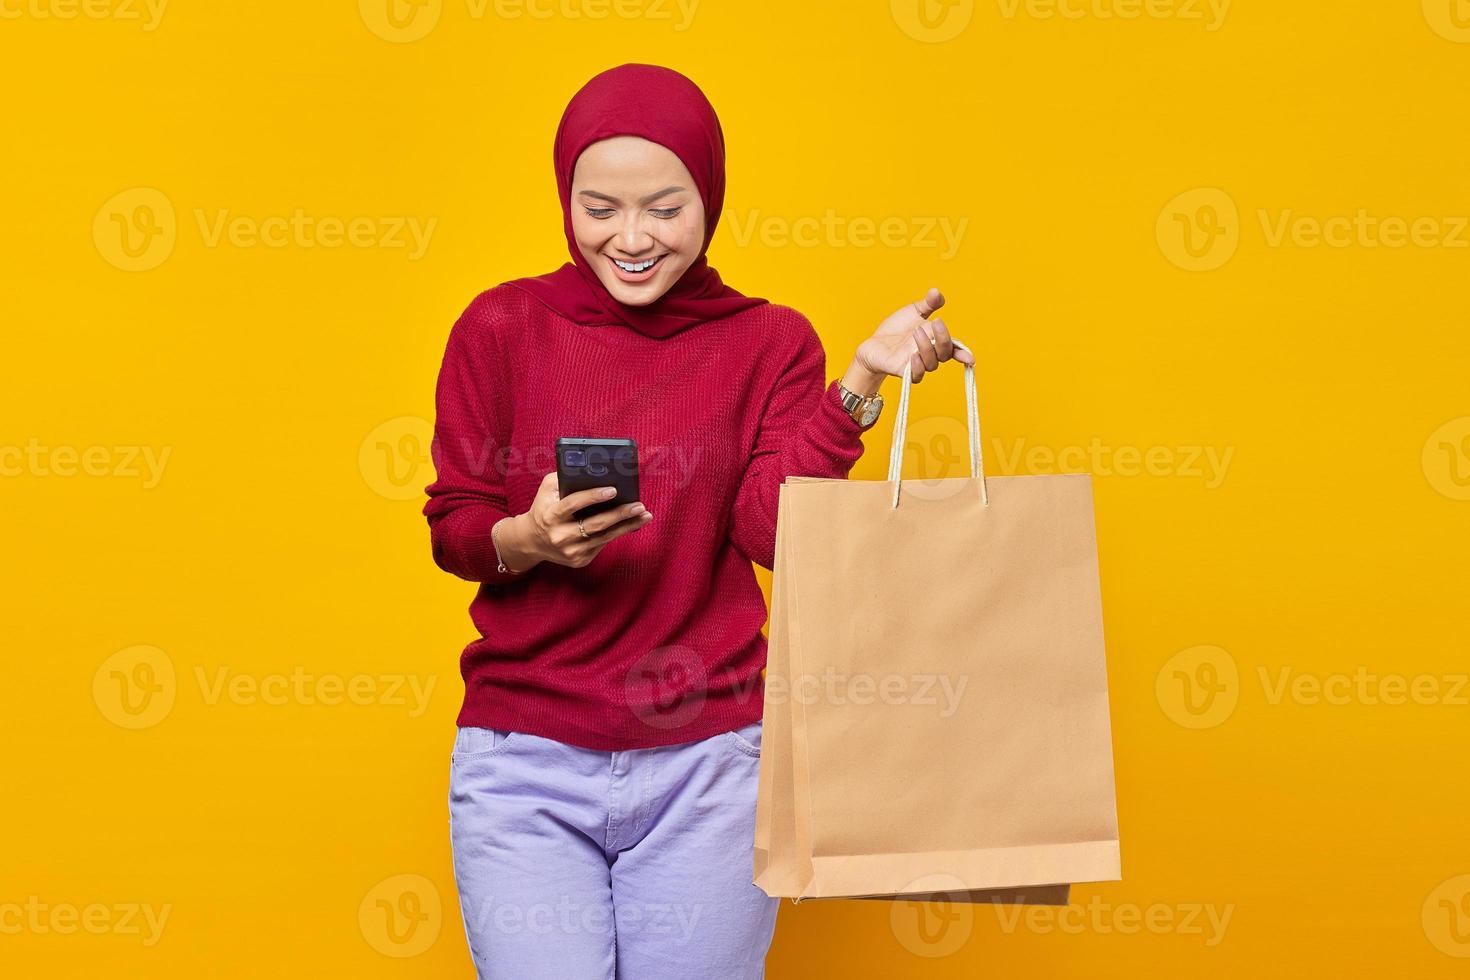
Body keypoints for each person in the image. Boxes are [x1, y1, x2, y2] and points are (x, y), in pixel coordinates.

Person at [424, 62, 973, 980]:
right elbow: (454, 526)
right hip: (525, 759)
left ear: (709, 200)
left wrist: (860, 385)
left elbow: (770, 534)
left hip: (710, 765)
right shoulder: (500, 327)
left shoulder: (769, 341)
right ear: (564, 198)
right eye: (599, 208)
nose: (631, 238)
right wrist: (529, 538)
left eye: (665, 209)